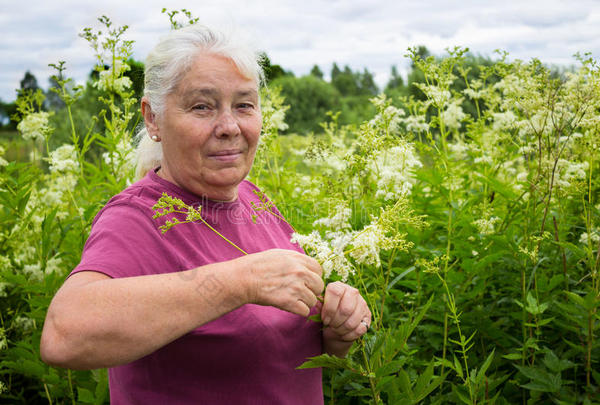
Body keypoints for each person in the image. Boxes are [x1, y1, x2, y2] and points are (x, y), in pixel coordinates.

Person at [40, 24, 371, 404]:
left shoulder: (254, 200)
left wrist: (337, 329)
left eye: (244, 105)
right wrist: (240, 281)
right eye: (202, 106)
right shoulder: (138, 217)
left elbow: (283, 357)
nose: (230, 127)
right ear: (153, 119)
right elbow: (64, 336)